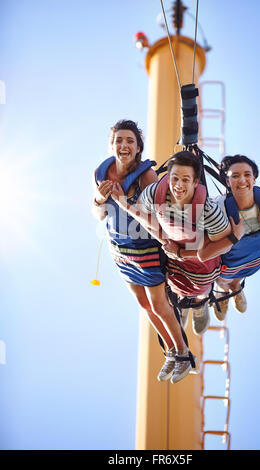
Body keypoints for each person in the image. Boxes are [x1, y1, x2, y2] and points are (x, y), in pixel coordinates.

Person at [111, 151, 246, 379]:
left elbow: (220, 246)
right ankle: (183, 313)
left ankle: (201, 304)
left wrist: (186, 251)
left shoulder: (207, 211)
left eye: (185, 180)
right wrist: (122, 204)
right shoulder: (155, 193)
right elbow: (149, 219)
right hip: (175, 261)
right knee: (175, 291)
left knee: (200, 291)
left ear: (195, 182)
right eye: (174, 178)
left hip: (201, 264)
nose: (178, 185)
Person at [92, 120, 195, 384]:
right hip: (119, 249)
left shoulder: (147, 177)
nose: (123, 145)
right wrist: (99, 199)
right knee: (143, 304)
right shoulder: (100, 174)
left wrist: (124, 202)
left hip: (145, 248)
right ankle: (171, 352)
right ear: (111, 145)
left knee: (160, 304)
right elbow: (98, 214)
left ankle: (183, 353)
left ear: (138, 148)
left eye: (130, 141)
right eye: (119, 140)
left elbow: (160, 216)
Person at [211, 154, 260, 320]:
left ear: (254, 179)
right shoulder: (219, 207)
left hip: (256, 257)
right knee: (221, 279)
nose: (242, 180)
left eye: (247, 175)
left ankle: (236, 288)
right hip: (231, 259)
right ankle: (224, 292)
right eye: (235, 176)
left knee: (238, 277)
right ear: (227, 182)